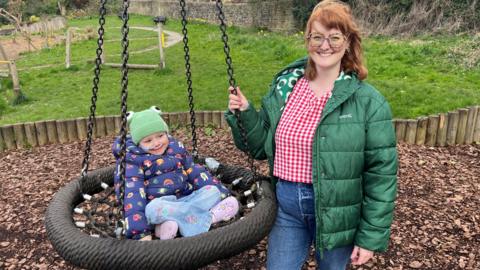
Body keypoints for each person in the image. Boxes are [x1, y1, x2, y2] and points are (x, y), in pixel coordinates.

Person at [226, 0, 398, 269]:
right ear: (307, 40)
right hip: (287, 206)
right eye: (317, 36)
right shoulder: (286, 88)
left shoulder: (368, 102)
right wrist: (245, 112)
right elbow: (260, 147)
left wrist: (369, 237)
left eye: (334, 37)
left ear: (349, 41)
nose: (324, 45)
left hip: (337, 211)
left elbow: (381, 175)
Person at [112, 106, 239, 241]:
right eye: (148, 141)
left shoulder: (176, 149)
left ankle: (179, 224)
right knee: (153, 209)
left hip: (186, 199)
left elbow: (195, 172)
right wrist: (140, 232)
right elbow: (133, 194)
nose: (156, 143)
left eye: (160, 136)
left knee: (212, 191)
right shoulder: (133, 161)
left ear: (166, 133)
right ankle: (207, 219)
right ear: (138, 143)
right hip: (160, 206)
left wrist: (221, 193)